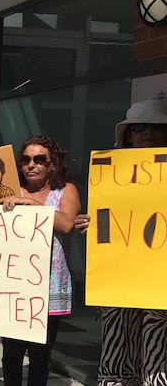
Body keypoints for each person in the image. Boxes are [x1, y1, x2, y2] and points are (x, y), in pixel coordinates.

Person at [75, 99, 167, 386]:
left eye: (156, 127)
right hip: (119, 276)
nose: (148, 134)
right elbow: (111, 220)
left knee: (158, 347)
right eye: (140, 128)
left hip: (159, 277)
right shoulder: (111, 171)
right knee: (117, 344)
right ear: (128, 135)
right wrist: (90, 224)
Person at [0, 135, 80, 386]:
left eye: (39, 160)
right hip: (13, 283)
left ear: (52, 163)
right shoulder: (9, 191)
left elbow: (66, 224)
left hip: (49, 286)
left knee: (39, 354)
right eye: (25, 160)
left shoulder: (65, 190)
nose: (31, 165)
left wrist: (31, 204)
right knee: (11, 354)